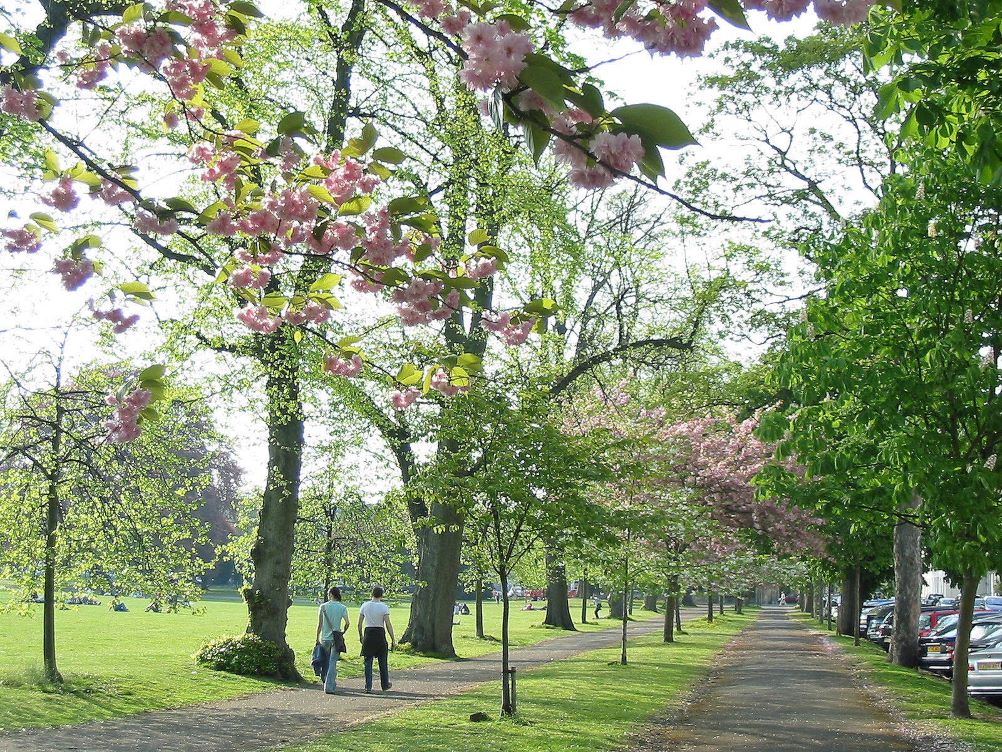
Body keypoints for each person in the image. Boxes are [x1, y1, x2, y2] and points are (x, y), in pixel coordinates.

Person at [358, 586, 395, 694]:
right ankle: (385, 684)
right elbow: (388, 624)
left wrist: (361, 636)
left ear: (372, 594)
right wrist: (393, 639)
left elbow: (359, 624)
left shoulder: (364, 606)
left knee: (368, 662)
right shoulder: (384, 607)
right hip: (380, 633)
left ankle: (368, 686)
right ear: (382, 595)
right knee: (383, 661)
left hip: (368, 633)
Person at [315, 586, 349, 695]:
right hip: (336, 638)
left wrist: (316, 638)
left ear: (330, 594)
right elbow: (347, 623)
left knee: (325, 661)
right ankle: (329, 686)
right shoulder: (342, 607)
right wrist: (343, 631)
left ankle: (325, 680)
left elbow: (319, 624)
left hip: (325, 637)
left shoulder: (323, 607)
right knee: (332, 662)